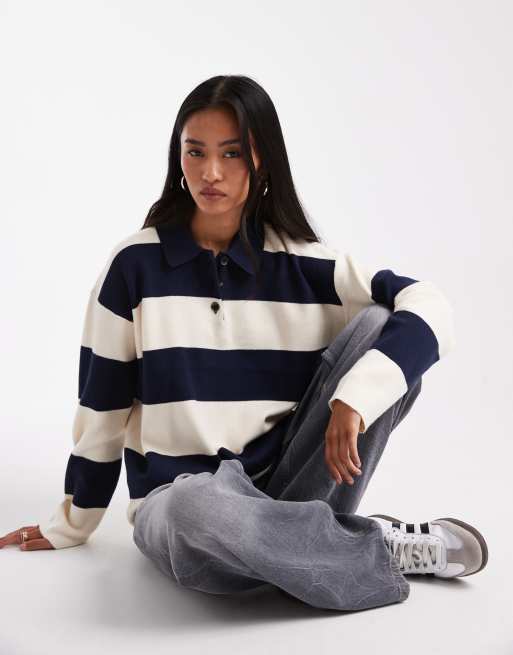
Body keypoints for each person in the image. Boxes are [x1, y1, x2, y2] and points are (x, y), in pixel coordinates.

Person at [0, 75, 488, 611]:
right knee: (193, 508)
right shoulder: (134, 267)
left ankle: (300, 548)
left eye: (231, 154)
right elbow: (103, 403)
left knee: (379, 324)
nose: (210, 172)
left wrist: (356, 398)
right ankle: (368, 546)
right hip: (180, 505)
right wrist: (74, 521)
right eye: (195, 152)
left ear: (263, 161)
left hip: (285, 487)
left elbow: (429, 304)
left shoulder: (305, 263)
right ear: (178, 158)